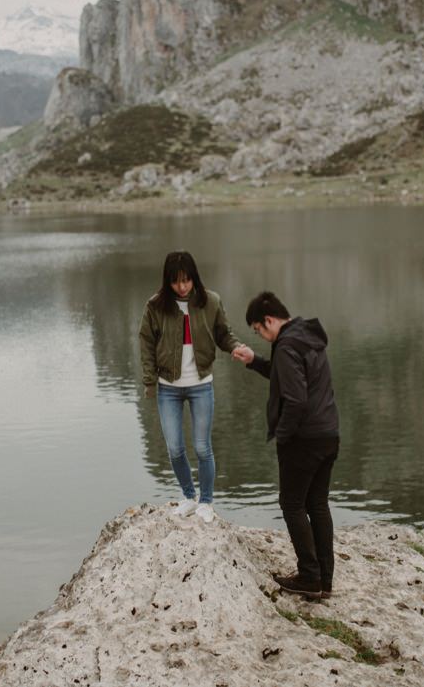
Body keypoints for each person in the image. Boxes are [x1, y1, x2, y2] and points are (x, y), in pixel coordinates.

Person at [232, 291, 340, 599]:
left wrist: (284, 435)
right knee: (317, 504)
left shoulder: (288, 345)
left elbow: (295, 398)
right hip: (328, 433)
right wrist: (255, 362)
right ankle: (324, 579)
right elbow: (288, 378)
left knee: (292, 505)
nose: (262, 337)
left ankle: (309, 576)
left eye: (258, 331)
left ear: (268, 320)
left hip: (303, 439)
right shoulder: (307, 336)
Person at [138, 251, 249, 523]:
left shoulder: (210, 301)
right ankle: (189, 497)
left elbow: (223, 334)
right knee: (175, 448)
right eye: (176, 282)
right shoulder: (155, 306)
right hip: (168, 387)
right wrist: (150, 381)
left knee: (202, 447)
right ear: (168, 281)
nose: (183, 286)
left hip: (201, 385)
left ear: (194, 278)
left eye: (187, 280)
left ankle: (207, 502)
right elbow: (146, 343)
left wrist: (236, 347)